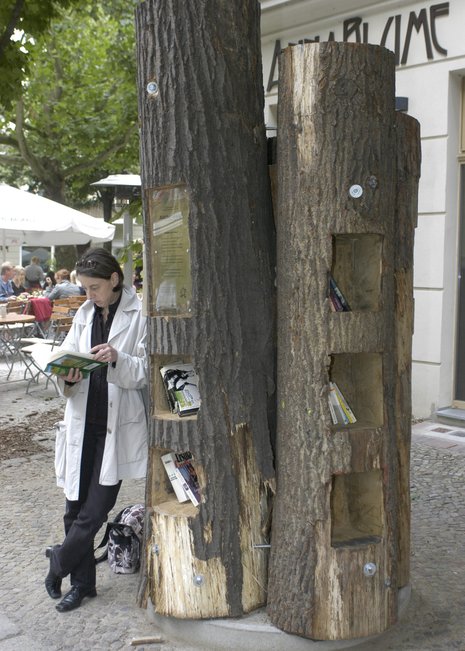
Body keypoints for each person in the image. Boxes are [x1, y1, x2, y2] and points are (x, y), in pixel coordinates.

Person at [44, 247, 148, 613]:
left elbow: (147, 371)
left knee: (96, 509)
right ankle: (82, 585)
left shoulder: (141, 314)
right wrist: (67, 376)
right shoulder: (85, 314)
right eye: (85, 288)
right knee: (74, 508)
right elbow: (67, 355)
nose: (89, 295)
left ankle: (58, 562)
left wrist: (120, 359)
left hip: (116, 426)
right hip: (82, 422)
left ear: (114, 280)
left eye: (94, 288)